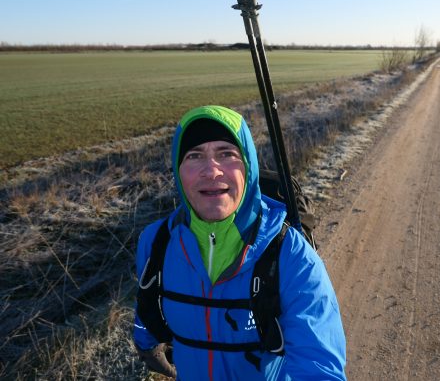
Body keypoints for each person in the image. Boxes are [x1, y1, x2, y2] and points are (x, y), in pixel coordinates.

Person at [133, 105, 346, 380]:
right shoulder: (155, 242)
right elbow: (146, 308)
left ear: (248, 167)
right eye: (194, 156)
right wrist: (146, 345)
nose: (211, 170)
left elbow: (318, 366)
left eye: (226, 154)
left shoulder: (289, 253)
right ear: (178, 170)